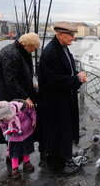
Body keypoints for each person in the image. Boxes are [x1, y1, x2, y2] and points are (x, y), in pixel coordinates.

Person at [37, 21, 87, 176]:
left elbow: (68, 69)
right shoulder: (51, 52)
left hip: (63, 99)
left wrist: (77, 75)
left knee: (64, 131)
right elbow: (55, 81)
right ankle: (57, 166)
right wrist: (78, 79)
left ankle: (64, 156)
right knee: (58, 132)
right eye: (71, 35)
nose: (73, 38)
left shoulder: (62, 48)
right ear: (60, 34)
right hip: (55, 101)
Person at [0, 100, 36, 179]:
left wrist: (34, 120)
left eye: (2, 119)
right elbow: (4, 128)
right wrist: (7, 133)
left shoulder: (21, 107)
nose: (1, 121)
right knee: (14, 153)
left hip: (26, 132)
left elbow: (31, 112)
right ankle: (14, 168)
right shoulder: (2, 120)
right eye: (0, 120)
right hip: (14, 137)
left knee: (26, 149)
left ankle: (26, 162)